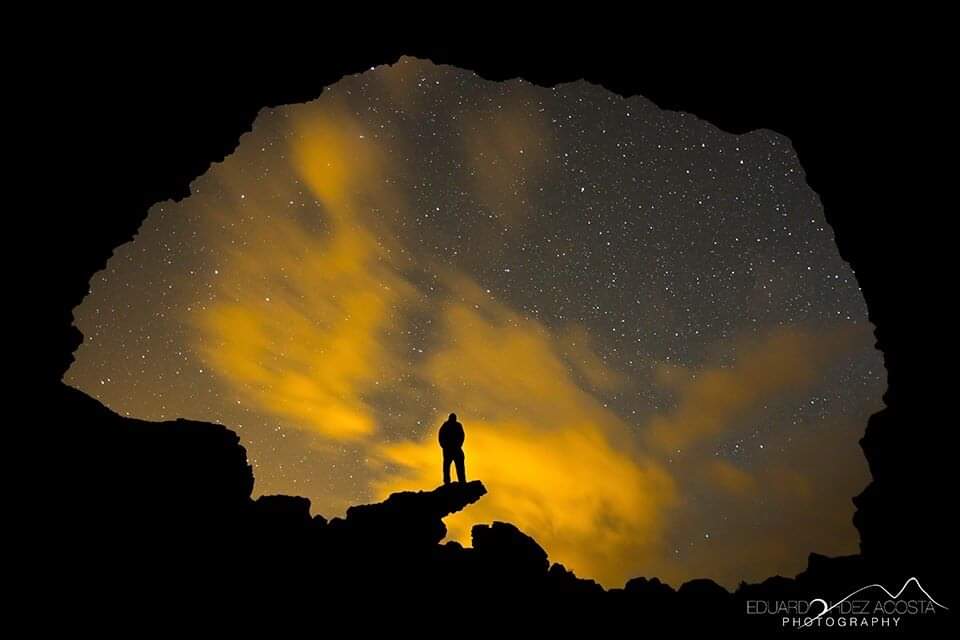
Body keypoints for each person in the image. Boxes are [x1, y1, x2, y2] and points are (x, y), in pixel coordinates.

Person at [438, 412, 466, 484]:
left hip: (456, 449)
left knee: (459, 466)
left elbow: (462, 436)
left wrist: (459, 445)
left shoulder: (458, 425)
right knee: (447, 466)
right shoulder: (445, 426)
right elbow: (441, 437)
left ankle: (462, 481)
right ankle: (447, 482)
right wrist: (444, 446)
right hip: (448, 450)